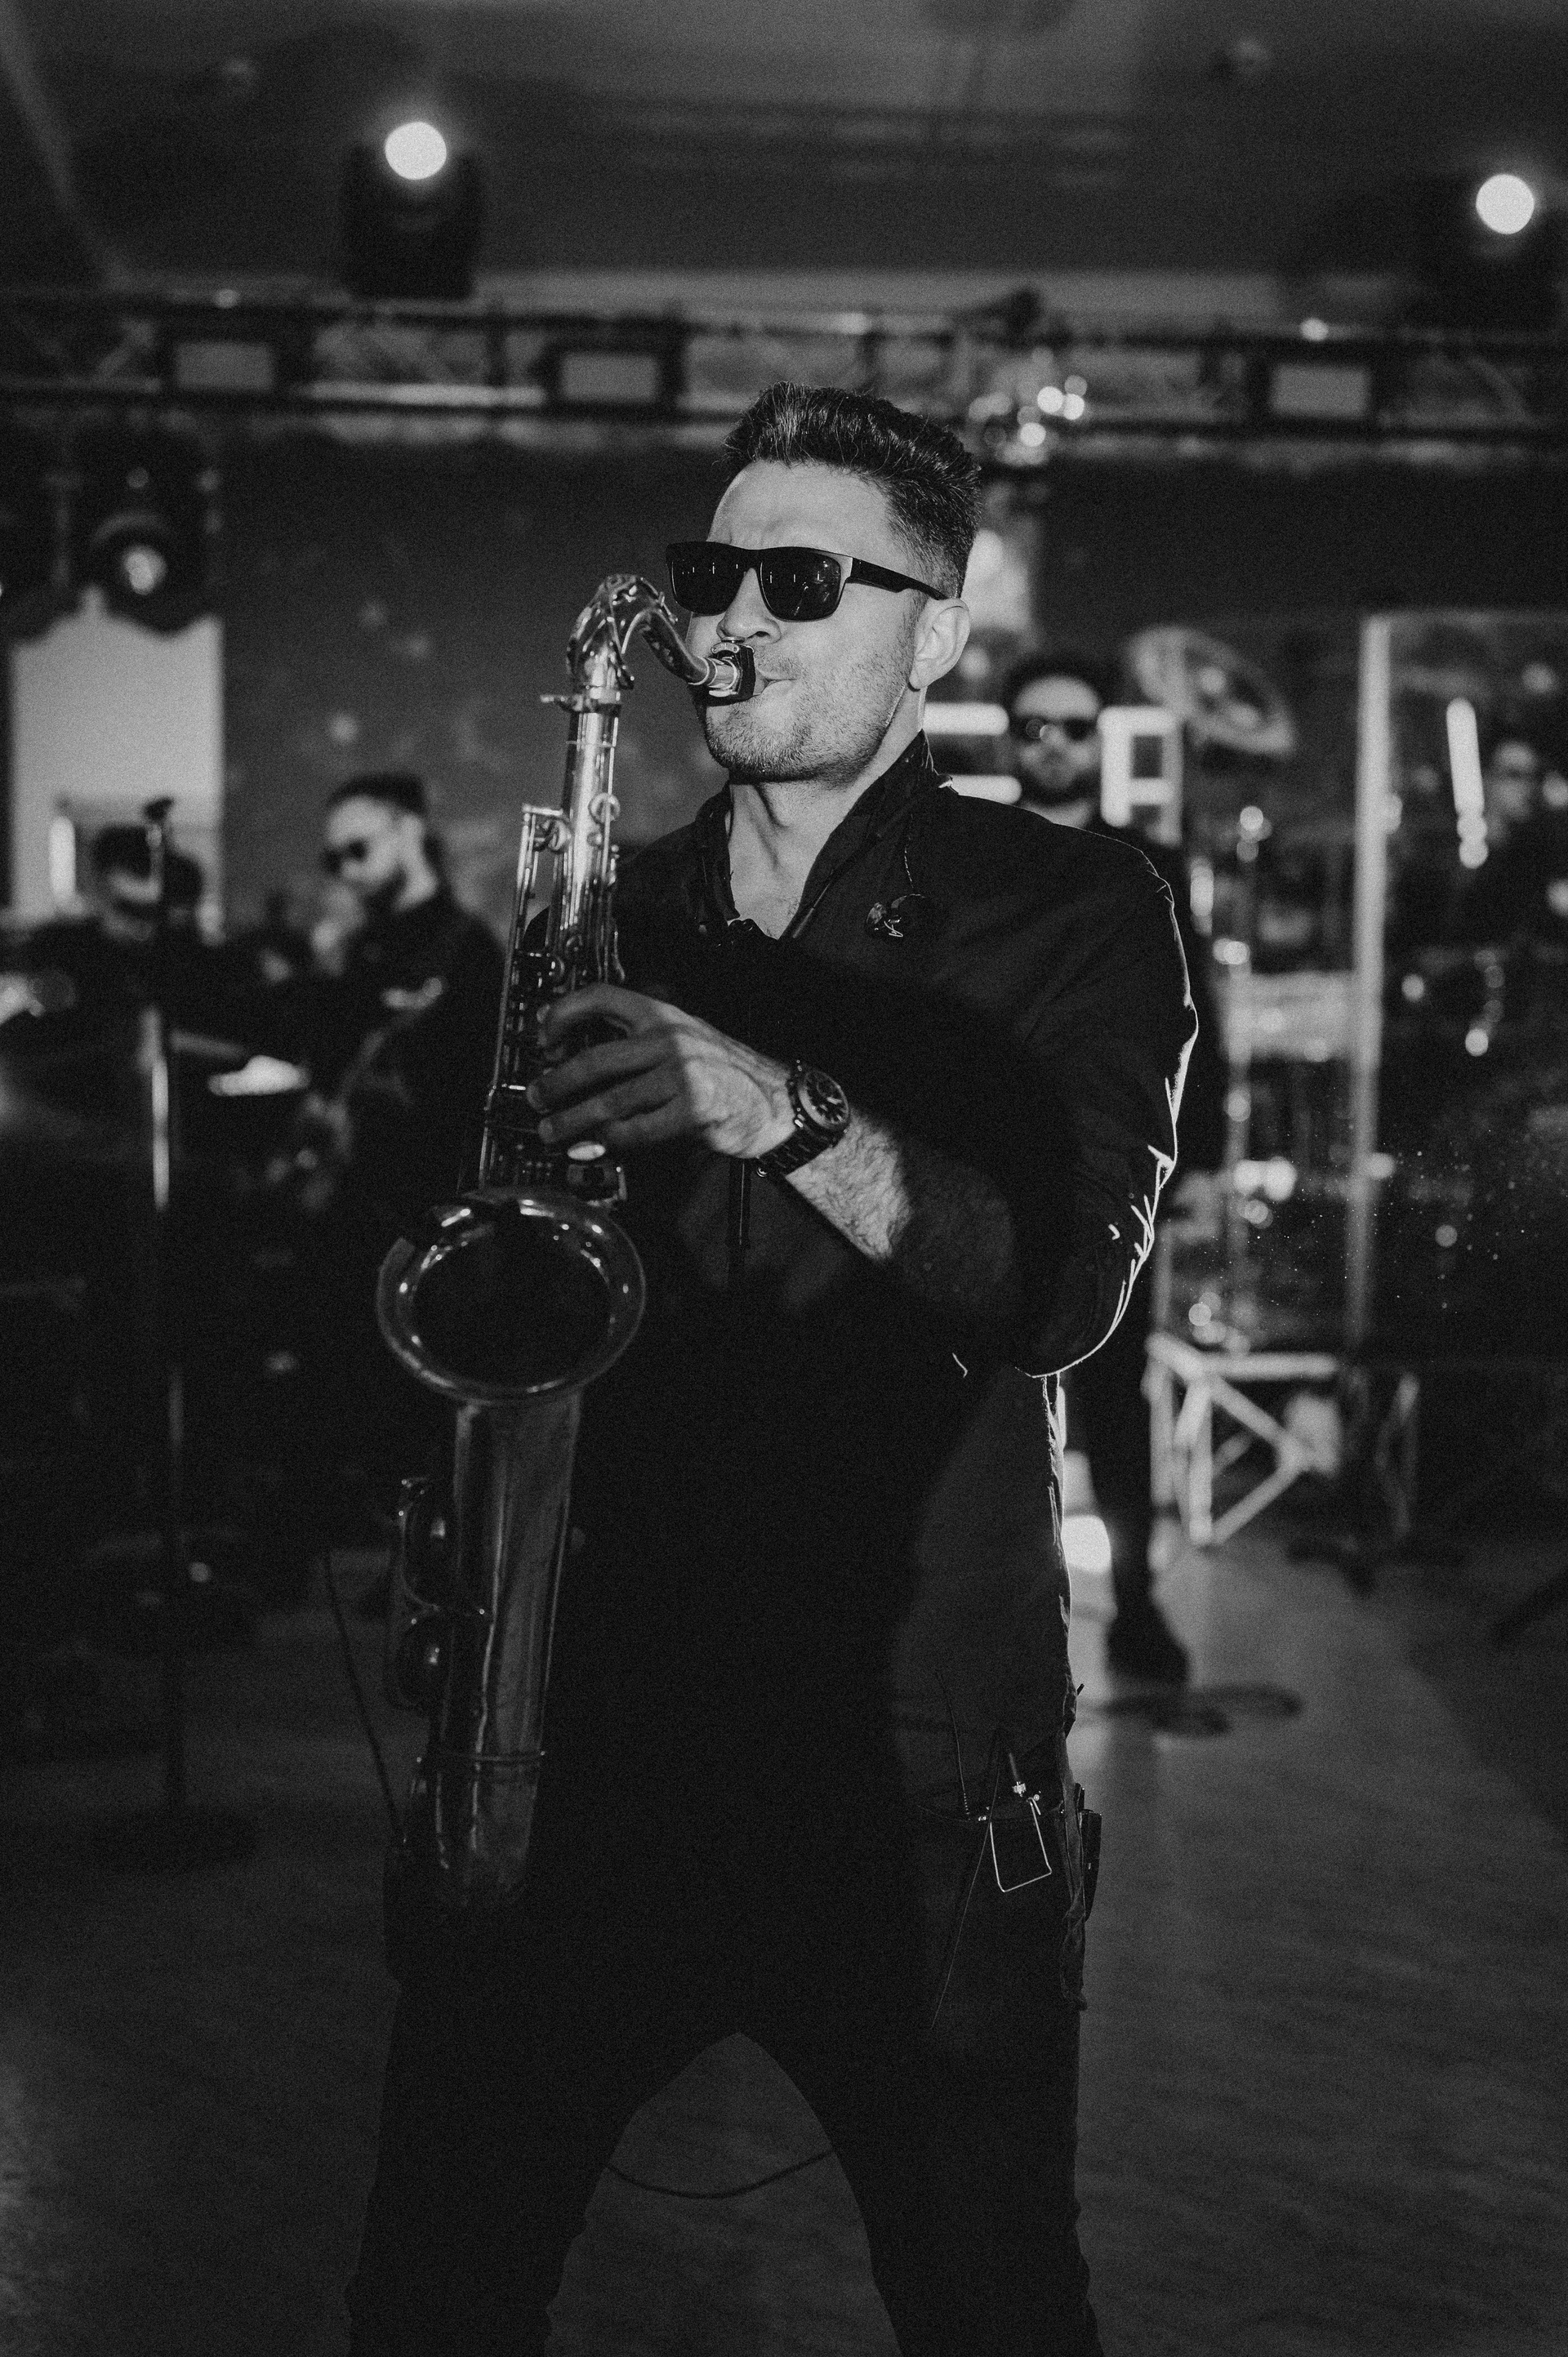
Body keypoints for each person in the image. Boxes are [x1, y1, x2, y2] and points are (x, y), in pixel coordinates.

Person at [348, 384, 1196, 2357]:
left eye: (802, 582)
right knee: (433, 2287)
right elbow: (499, 1293)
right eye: (711, 574)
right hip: (588, 1728)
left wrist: (779, 1108)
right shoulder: (601, 914)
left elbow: (1060, 1295)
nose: (732, 620)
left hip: (907, 1763)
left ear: (936, 629)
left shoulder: (1077, 912)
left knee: (992, 2304)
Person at [1003, 652, 1225, 1685]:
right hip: (1000, 1160)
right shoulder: (979, 858)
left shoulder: (1149, 864)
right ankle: (1014, 1610)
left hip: (1112, 1167)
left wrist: (1199, 1160)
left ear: (1101, 740)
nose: (1053, 745)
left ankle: (1136, 1605)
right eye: (1035, 727)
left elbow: (1195, 1021)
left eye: (1073, 727)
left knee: (1117, 1393)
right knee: (997, 1387)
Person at [280, 773, 504, 1518]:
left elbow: (467, 1091)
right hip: (347, 1208)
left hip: (421, 1214)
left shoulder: (465, 950)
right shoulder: (358, 948)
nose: (345, 871)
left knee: (416, 1406)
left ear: (408, 831)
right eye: (333, 858)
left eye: (358, 849)